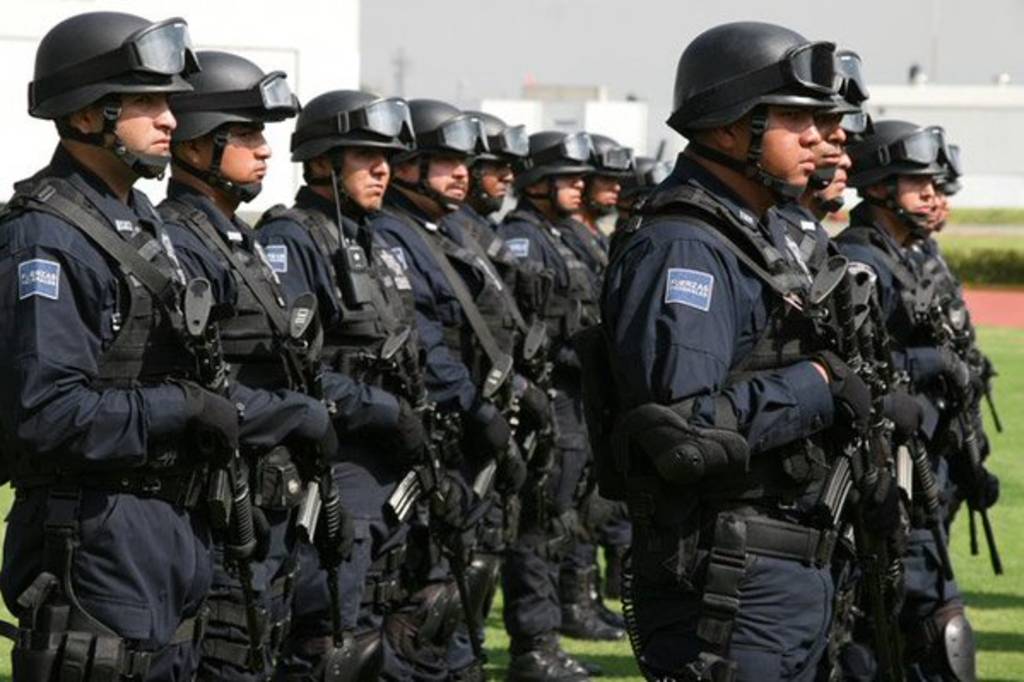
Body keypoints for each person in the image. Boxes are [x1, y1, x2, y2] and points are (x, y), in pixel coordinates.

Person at [592, 22, 902, 680]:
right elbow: (681, 433)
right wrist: (815, 384)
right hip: (730, 582)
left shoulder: (763, 236)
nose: (820, 137)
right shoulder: (685, 246)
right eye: (795, 118)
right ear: (730, 126)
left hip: (784, 568)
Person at [0, 12, 236, 681]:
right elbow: (46, 414)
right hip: (94, 533)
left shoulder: (141, 221)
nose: (170, 120)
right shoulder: (47, 238)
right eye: (148, 103)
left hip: (164, 525)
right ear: (86, 114)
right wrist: (184, 405)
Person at [159, 51, 346, 679]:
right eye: (244, 134)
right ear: (193, 145)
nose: (265, 150)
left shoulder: (237, 238)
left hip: (268, 493)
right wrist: (295, 413)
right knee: (230, 658)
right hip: (221, 503)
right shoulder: (182, 240)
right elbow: (197, 385)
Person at [256, 90, 436, 681]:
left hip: (384, 459)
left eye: (387, 158)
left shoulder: (369, 239)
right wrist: (382, 409)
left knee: (384, 618)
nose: (383, 170)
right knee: (329, 638)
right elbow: (293, 368)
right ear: (321, 161)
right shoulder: (293, 238)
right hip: (338, 459)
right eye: (365, 156)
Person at [371, 97, 528, 681]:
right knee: (426, 584)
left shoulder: (445, 230)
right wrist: (474, 407)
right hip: (437, 426)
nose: (463, 173)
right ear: (408, 165)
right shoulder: (394, 233)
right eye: (446, 162)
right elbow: (425, 339)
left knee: (460, 571)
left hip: (465, 425)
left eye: (466, 163)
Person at [836, 120, 996, 681]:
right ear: (880, 186)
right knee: (908, 626)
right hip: (889, 473)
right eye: (918, 183)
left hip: (929, 465)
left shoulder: (905, 257)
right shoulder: (860, 261)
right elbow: (855, 367)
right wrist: (932, 363)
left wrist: (970, 461)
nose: (932, 195)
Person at [498, 130, 613, 679]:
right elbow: (524, 328)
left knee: (567, 518)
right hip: (550, 398)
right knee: (539, 523)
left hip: (578, 398)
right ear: (537, 182)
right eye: (567, 178)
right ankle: (535, 643)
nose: (580, 187)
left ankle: (556, 627)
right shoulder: (522, 238)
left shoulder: (562, 235)